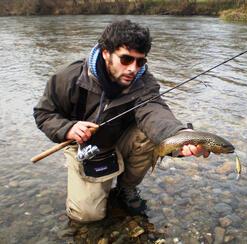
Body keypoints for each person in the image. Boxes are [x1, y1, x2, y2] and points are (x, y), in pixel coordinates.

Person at [33, 20, 209, 223]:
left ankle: (126, 187)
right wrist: (68, 128)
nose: (133, 69)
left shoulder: (144, 82)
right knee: (87, 216)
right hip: (85, 145)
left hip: (122, 138)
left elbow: (155, 114)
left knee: (149, 135)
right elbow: (43, 114)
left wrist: (179, 138)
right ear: (106, 53)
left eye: (140, 62)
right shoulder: (69, 77)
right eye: (126, 59)